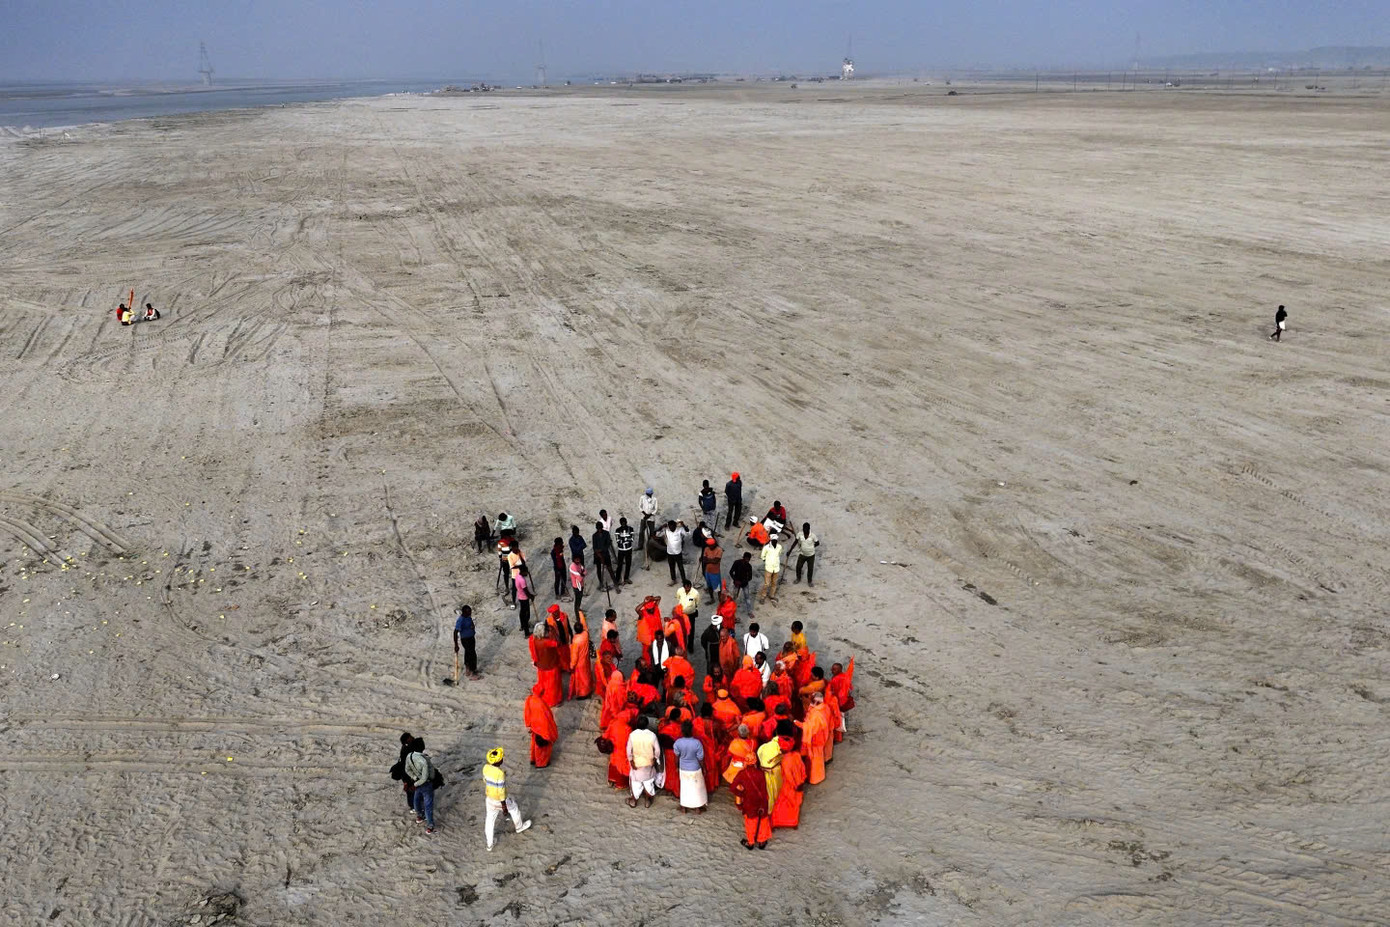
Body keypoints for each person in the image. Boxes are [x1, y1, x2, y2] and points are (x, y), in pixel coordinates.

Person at [482, 747, 532, 851]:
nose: (503, 758)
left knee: (490, 820)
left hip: (489, 798)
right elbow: (501, 791)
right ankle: (519, 827)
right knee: (514, 809)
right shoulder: (500, 774)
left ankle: (489, 845)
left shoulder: (485, 768)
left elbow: (485, 781)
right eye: (501, 758)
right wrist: (504, 806)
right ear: (499, 761)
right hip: (500, 800)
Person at [729, 759, 772, 850]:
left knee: (750, 823)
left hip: (749, 802)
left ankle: (751, 842)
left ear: (745, 762)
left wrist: (743, 794)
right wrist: (763, 803)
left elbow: (732, 788)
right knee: (763, 821)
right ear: (755, 762)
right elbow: (764, 790)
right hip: (761, 802)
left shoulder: (742, 774)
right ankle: (761, 841)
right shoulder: (760, 773)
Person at [770, 735, 806, 828]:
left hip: (788, 784)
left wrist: (794, 785)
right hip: (799, 782)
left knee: (781, 803)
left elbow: (788, 776)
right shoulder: (797, 755)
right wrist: (801, 781)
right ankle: (793, 822)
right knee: (795, 803)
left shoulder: (785, 760)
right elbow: (803, 768)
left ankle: (778, 822)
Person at [672, 721, 708, 813]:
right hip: (695, 768)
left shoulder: (678, 743)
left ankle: (683, 807)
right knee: (697, 788)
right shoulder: (697, 743)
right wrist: (703, 768)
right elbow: (700, 758)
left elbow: (676, 757)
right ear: (692, 730)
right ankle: (697, 808)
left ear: (682, 731)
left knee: (685, 788)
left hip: (683, 768)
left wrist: (676, 767)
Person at [626, 716, 661, 807]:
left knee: (635, 783)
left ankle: (633, 801)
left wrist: (631, 761)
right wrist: (654, 759)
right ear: (647, 725)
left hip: (636, 764)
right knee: (648, 782)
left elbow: (629, 750)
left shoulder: (632, 735)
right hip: (648, 763)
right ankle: (647, 801)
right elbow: (657, 750)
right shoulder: (652, 735)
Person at [405, 737, 438, 834]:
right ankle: (430, 826)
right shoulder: (424, 760)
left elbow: (407, 770)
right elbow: (426, 776)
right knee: (428, 805)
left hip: (417, 782)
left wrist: (414, 778)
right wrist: (417, 783)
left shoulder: (409, 756)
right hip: (425, 784)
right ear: (422, 747)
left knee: (417, 799)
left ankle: (419, 816)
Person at [524, 682, 559, 767]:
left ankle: (533, 759)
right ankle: (541, 763)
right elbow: (548, 718)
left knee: (534, 743)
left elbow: (527, 713)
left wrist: (529, 724)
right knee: (543, 748)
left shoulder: (529, 699)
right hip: (542, 728)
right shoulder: (541, 704)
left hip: (534, 726)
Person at [529, 624, 564, 707]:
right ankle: (554, 701)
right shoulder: (547, 642)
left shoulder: (532, 639)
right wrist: (553, 632)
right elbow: (558, 643)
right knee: (553, 685)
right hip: (550, 666)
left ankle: (541, 691)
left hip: (541, 665)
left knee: (543, 681)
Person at [800, 692, 831, 785]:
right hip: (821, 739)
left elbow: (811, 729)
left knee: (814, 760)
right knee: (818, 759)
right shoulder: (825, 707)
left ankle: (814, 778)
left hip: (815, 741)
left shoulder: (816, 715)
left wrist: (797, 723)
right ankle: (818, 776)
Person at [569, 612, 595, 699]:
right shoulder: (586, 634)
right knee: (587, 674)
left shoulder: (576, 640)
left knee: (582, 679)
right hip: (586, 659)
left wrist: (572, 665)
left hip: (579, 663)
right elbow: (584, 624)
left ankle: (584, 694)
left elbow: (574, 656)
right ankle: (589, 689)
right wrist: (580, 614)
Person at [659, 520, 690, 584]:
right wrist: (662, 527)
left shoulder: (680, 530)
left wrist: (683, 525)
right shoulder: (666, 530)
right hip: (670, 552)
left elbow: (688, 533)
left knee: (681, 567)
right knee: (671, 567)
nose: (671, 528)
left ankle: (684, 580)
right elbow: (657, 534)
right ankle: (673, 579)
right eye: (670, 527)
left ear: (675, 526)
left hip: (678, 552)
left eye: (672, 527)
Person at [453, 604, 479, 679]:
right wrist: (456, 645)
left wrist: (472, 626)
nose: (470, 613)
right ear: (464, 612)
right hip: (465, 639)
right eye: (468, 612)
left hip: (471, 637)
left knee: (468, 652)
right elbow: (455, 632)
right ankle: (473, 672)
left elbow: (471, 622)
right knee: (472, 654)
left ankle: (468, 669)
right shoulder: (461, 620)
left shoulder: (468, 617)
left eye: (470, 612)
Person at [591, 521, 616, 591]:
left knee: (609, 568)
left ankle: (615, 583)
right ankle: (601, 582)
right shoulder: (594, 536)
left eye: (600, 528)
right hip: (597, 555)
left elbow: (608, 544)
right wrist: (598, 553)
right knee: (599, 569)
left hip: (605, 554)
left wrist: (601, 550)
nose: (599, 530)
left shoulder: (606, 533)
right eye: (598, 528)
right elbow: (594, 546)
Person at [759, 534, 784, 603]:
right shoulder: (766, 548)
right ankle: (763, 596)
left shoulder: (779, 547)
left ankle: (772, 595)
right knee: (767, 583)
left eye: (776, 540)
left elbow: (779, 554)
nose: (775, 542)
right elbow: (762, 556)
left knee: (774, 583)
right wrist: (768, 562)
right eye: (773, 540)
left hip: (776, 568)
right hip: (769, 568)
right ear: (771, 540)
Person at [613, 516, 635, 586]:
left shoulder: (631, 529)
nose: (623, 524)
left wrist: (623, 540)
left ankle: (626, 578)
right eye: (622, 523)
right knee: (619, 565)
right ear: (620, 523)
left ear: (626, 522)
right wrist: (626, 539)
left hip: (628, 549)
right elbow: (618, 541)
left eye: (624, 523)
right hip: (621, 550)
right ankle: (617, 579)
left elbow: (632, 539)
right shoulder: (617, 530)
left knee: (628, 564)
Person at [700, 537, 723, 602]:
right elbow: (704, 560)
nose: (709, 546)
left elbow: (716, 561)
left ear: (714, 544)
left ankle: (720, 600)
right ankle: (712, 598)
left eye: (710, 545)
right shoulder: (706, 549)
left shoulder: (719, 550)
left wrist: (708, 560)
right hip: (708, 572)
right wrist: (711, 560)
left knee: (718, 588)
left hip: (715, 572)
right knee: (709, 586)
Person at [638, 488, 659, 559]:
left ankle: (651, 546)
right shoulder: (642, 498)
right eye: (647, 494)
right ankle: (640, 545)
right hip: (643, 518)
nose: (647, 495)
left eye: (649, 494)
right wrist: (645, 514)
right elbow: (640, 507)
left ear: (651, 494)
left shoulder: (655, 499)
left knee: (652, 533)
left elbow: (656, 509)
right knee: (641, 532)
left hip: (651, 518)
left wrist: (649, 515)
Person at [514, 564, 533, 634]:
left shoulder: (517, 576)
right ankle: (526, 631)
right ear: (523, 571)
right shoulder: (522, 580)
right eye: (526, 572)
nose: (527, 573)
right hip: (524, 598)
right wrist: (531, 596)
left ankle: (522, 625)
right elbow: (526, 591)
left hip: (520, 596)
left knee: (522, 613)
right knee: (526, 614)